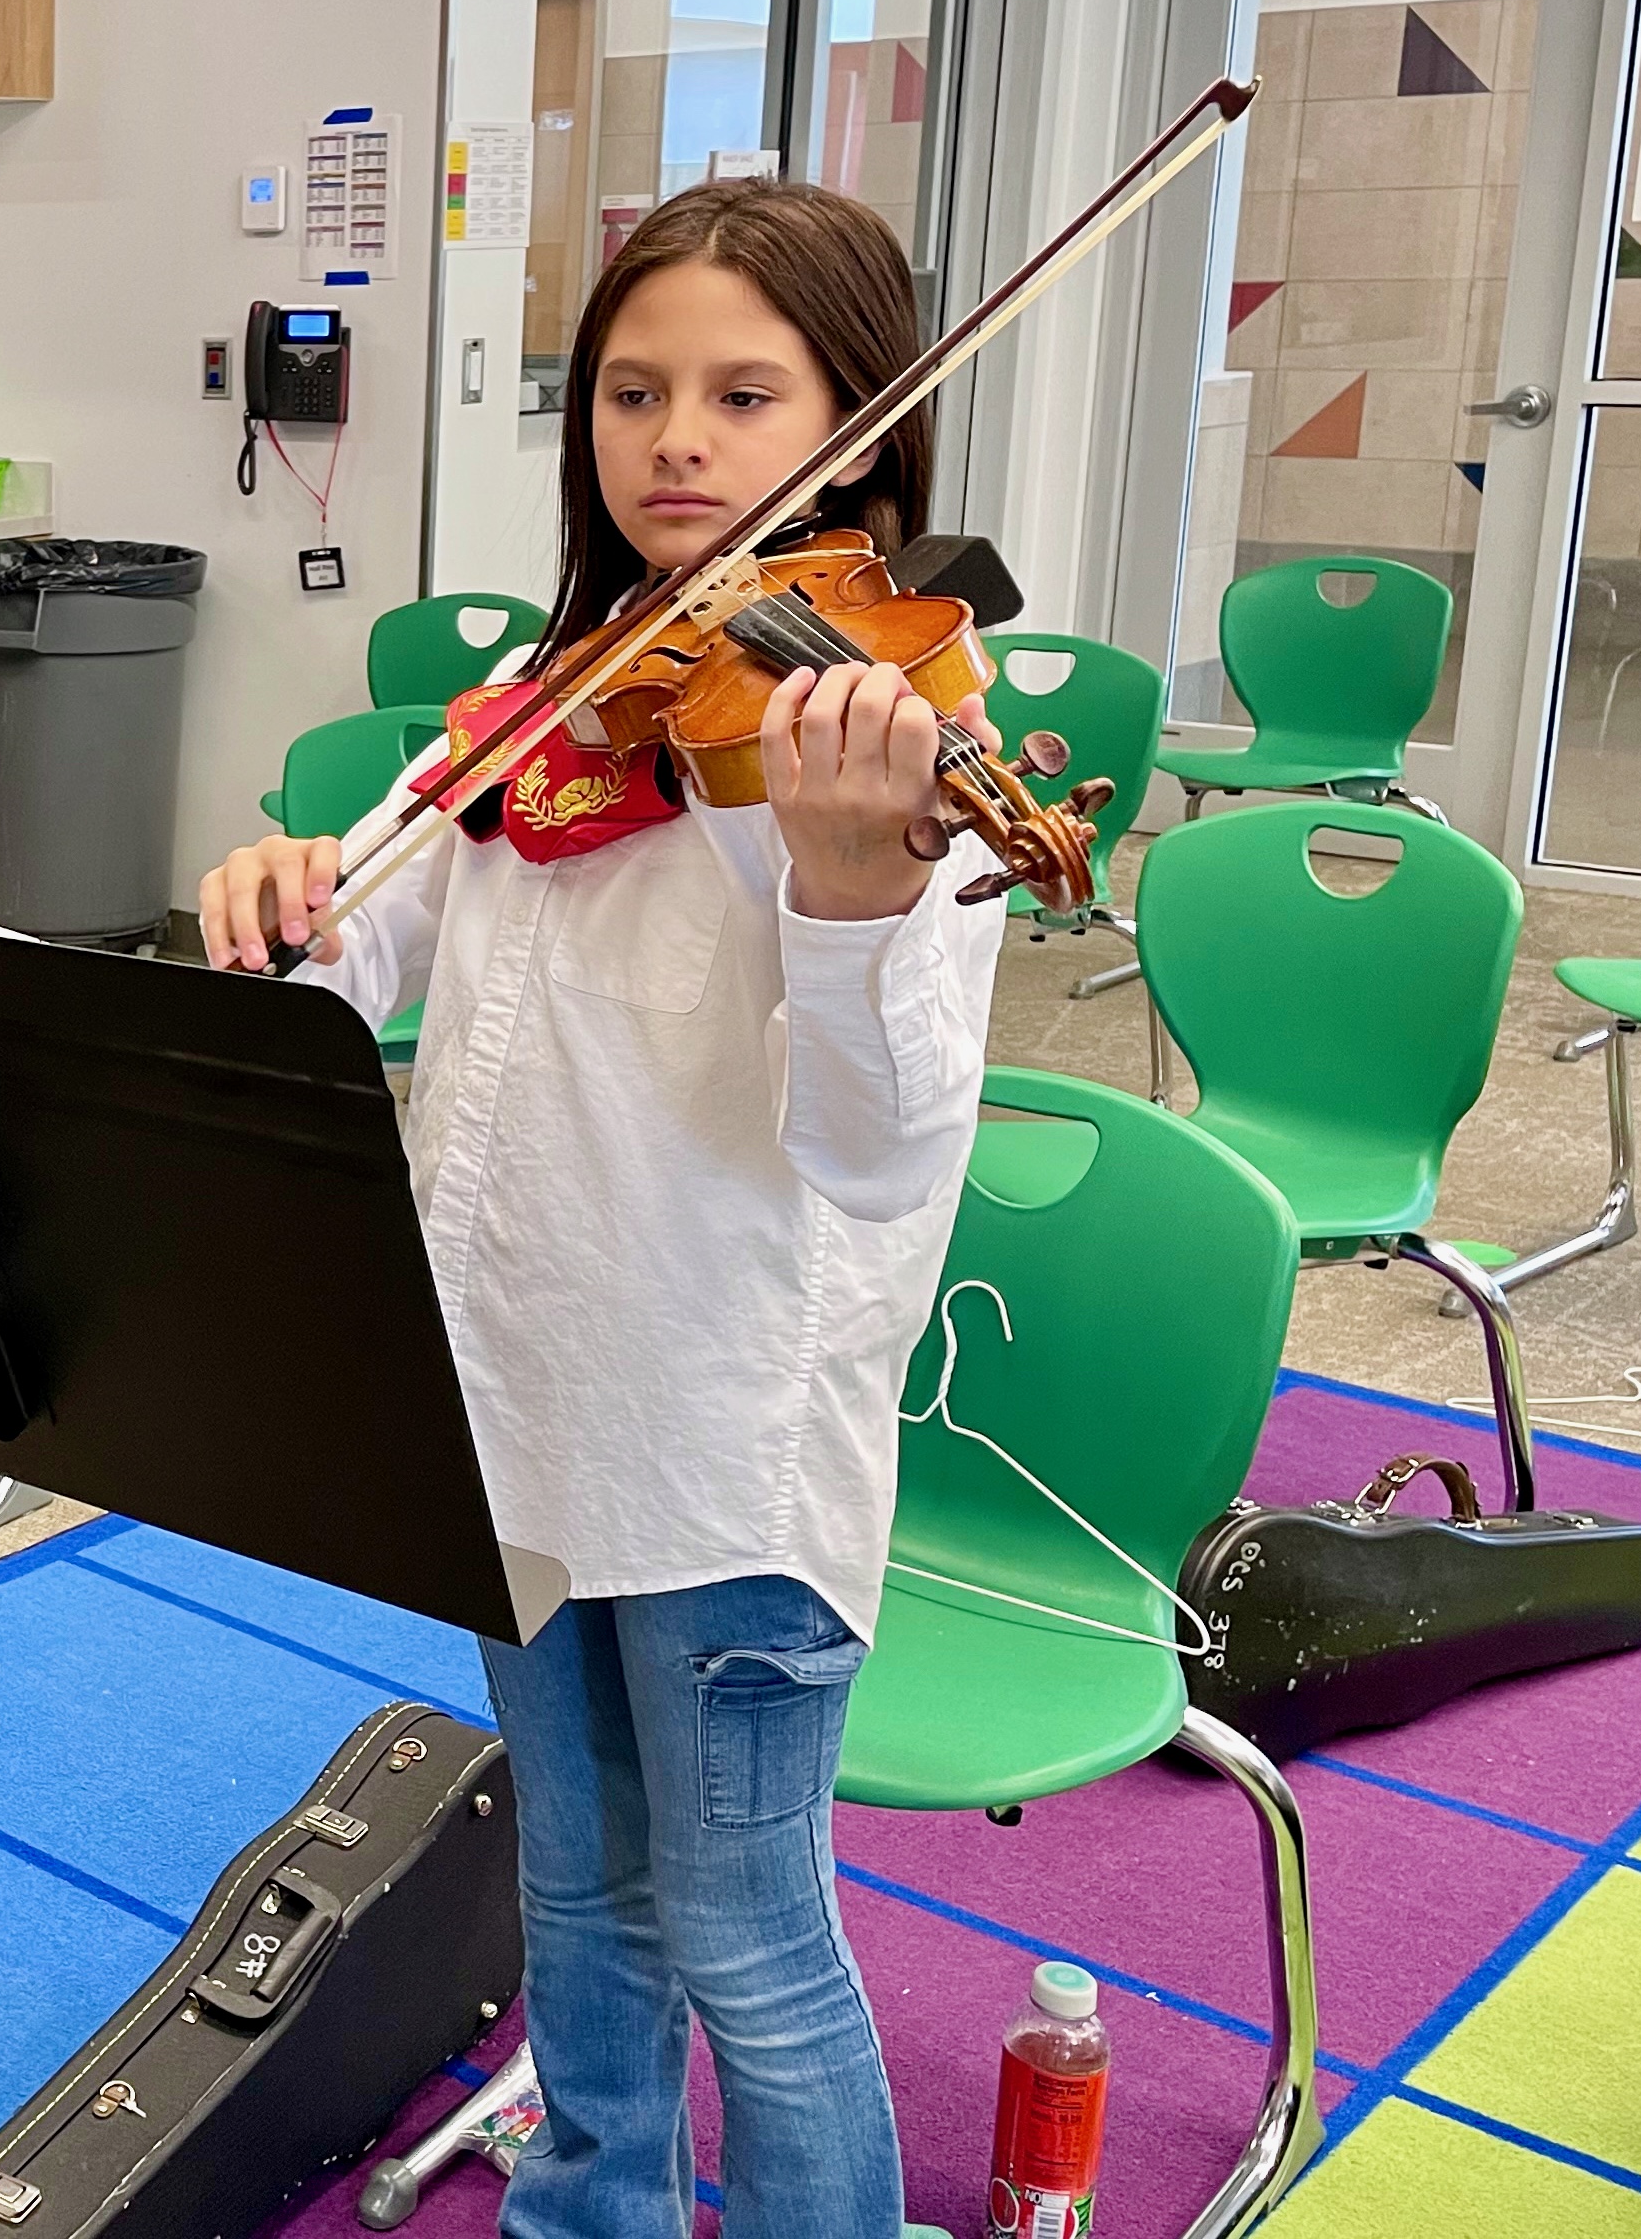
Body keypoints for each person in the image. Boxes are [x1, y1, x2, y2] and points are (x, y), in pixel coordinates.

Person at [199, 178, 1004, 2238]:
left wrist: (848, 892)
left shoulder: (896, 746)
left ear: (860, 426)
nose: (676, 440)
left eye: (746, 394)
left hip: (724, 1447)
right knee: (578, 1893)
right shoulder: (569, 691)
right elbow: (364, 934)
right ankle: (590, 2211)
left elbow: (879, 1150)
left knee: (744, 1931)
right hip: (514, 1408)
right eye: (635, 391)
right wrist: (287, 900)